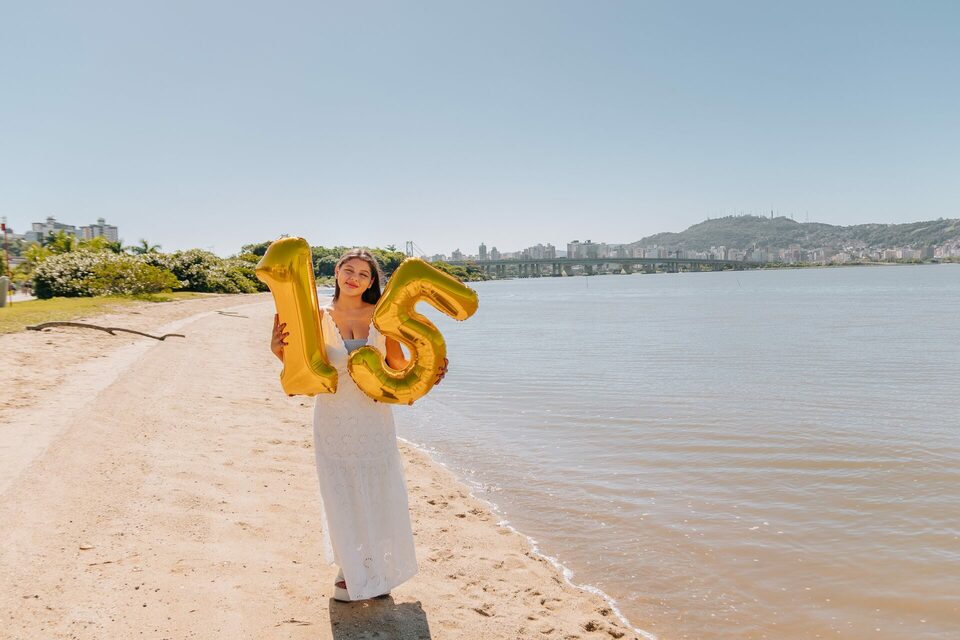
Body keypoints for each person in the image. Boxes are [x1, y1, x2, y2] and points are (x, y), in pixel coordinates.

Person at [271, 248, 446, 602]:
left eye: (363, 274)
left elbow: (396, 365)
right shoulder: (316, 317)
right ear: (335, 272)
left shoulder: (384, 317)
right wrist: (277, 349)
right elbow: (303, 368)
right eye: (348, 270)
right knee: (341, 491)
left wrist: (429, 372)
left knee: (378, 489)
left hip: (374, 417)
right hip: (333, 417)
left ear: (371, 282)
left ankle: (375, 567)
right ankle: (347, 566)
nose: (354, 277)